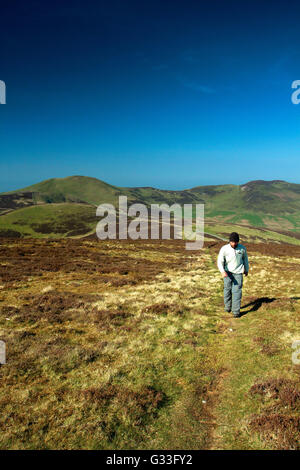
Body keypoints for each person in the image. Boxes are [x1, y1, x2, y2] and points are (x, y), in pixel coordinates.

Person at [217, 232, 249, 318]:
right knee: (227, 290)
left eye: (235, 242)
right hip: (227, 273)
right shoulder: (224, 249)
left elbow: (245, 259)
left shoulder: (242, 249)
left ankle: (236, 312)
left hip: (238, 273)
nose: (234, 244)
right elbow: (220, 261)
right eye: (232, 242)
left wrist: (246, 269)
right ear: (229, 241)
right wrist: (222, 271)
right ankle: (227, 307)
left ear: (238, 241)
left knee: (237, 292)